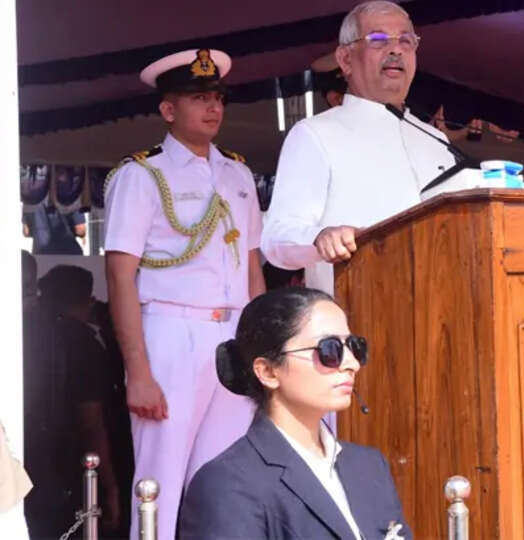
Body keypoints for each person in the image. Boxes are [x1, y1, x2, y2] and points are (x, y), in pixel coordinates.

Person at [103, 48, 266, 539]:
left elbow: (252, 269)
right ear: (168, 110)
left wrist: (259, 347)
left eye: (217, 97)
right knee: (161, 481)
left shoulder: (238, 174)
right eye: (199, 98)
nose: (213, 108)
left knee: (225, 478)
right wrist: (138, 372)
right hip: (172, 332)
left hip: (233, 333)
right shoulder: (141, 175)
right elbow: (119, 277)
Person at [180, 288, 409, 539]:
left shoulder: (369, 465)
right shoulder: (227, 483)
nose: (351, 364)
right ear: (268, 371)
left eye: (355, 347)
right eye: (329, 350)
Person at [262, 0, 456, 295]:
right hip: (356, 316)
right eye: (378, 39)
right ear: (346, 59)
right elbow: (277, 240)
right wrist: (319, 238)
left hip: (438, 313)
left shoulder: (436, 140)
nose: (396, 49)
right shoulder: (314, 135)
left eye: (406, 40)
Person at [24, 265, 121, 537]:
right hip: (67, 470)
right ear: (87, 301)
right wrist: (111, 486)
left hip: (28, 459)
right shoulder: (83, 343)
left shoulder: (22, 332)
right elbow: (91, 423)